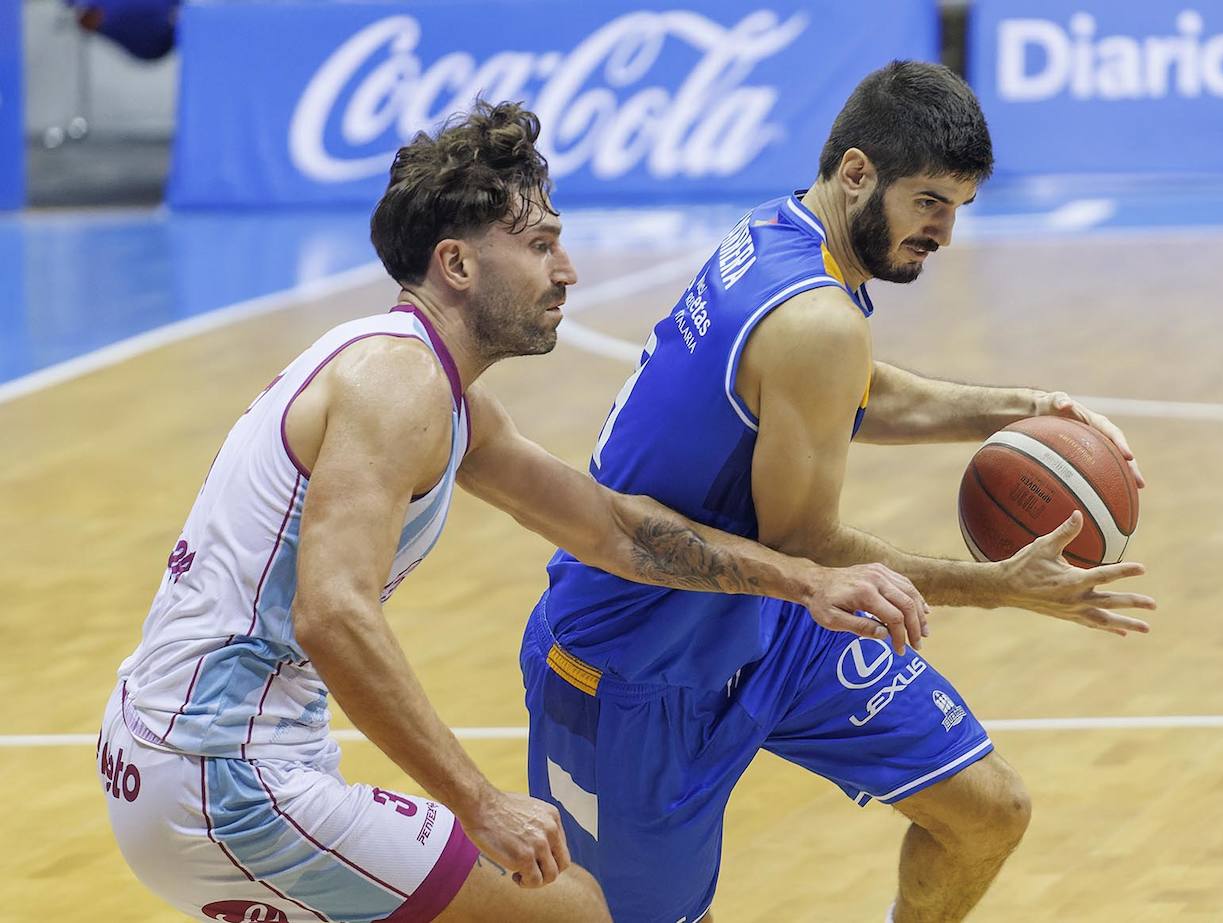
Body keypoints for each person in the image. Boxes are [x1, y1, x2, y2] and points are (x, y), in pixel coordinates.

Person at [96, 101, 927, 923]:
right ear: (457, 264)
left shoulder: (440, 395)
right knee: (571, 910)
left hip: (187, 754)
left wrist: (810, 581)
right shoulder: (398, 386)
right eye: (539, 246)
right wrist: (478, 799)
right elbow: (332, 613)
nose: (566, 270)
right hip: (224, 772)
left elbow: (615, 529)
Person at [522, 61, 1157, 923]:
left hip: (767, 618)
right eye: (929, 203)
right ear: (858, 171)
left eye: (958, 209)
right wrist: (1003, 588)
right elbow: (806, 546)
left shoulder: (783, 235)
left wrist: (1025, 409)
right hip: (633, 657)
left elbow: (853, 387)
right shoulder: (815, 318)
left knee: (985, 811)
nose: (942, 233)